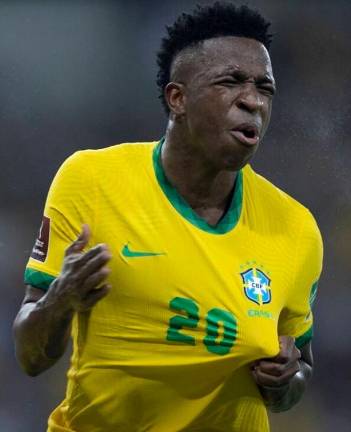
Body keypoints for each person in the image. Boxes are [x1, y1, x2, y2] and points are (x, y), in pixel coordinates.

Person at [13, 2, 323, 431]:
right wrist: (59, 300)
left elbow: (297, 376)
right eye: (231, 81)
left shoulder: (296, 228)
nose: (252, 100)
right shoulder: (91, 180)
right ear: (177, 98)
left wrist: (287, 379)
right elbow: (30, 356)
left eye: (264, 88)